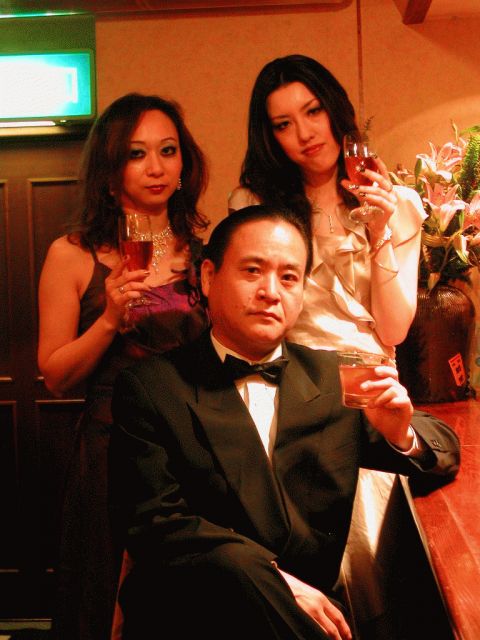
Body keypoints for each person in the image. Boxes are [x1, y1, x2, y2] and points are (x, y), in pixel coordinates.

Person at [109, 205, 459, 640]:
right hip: (194, 613)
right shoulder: (151, 386)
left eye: (289, 277)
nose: (271, 292)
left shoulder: (333, 377)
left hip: (309, 615)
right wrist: (273, 581)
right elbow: (155, 525)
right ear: (208, 277)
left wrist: (400, 433)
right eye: (253, 271)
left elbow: (442, 448)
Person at [37, 93, 209, 640]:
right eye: (137, 154)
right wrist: (110, 319)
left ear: (184, 164)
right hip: (111, 448)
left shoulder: (204, 254)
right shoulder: (71, 253)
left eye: (168, 150)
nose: (156, 167)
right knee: (103, 595)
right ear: (110, 173)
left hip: (191, 448)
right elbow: (55, 375)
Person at [229, 54, 426, 359]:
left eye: (313, 111)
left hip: (372, 378)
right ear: (271, 137)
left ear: (334, 108)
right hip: (292, 376)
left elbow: (393, 332)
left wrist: (379, 232)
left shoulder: (399, 205)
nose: (305, 134)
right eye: (284, 125)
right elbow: (246, 318)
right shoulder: (255, 206)